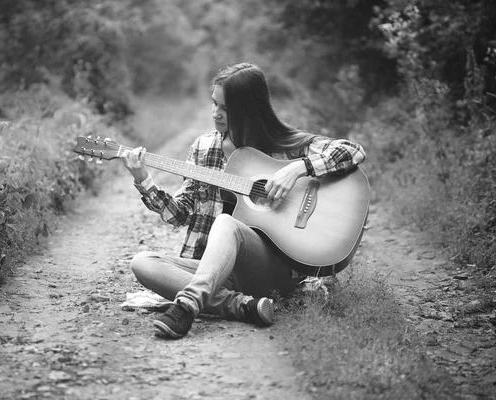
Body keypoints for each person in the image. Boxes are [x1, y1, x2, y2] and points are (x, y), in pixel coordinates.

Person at [121, 62, 366, 339]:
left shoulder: (283, 145)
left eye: (226, 109)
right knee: (142, 262)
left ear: (250, 110)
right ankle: (242, 306)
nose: (216, 114)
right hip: (215, 270)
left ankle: (187, 306)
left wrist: (297, 169)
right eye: (214, 104)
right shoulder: (204, 148)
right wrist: (143, 179)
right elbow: (179, 215)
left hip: (272, 271)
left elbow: (352, 151)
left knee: (227, 224)